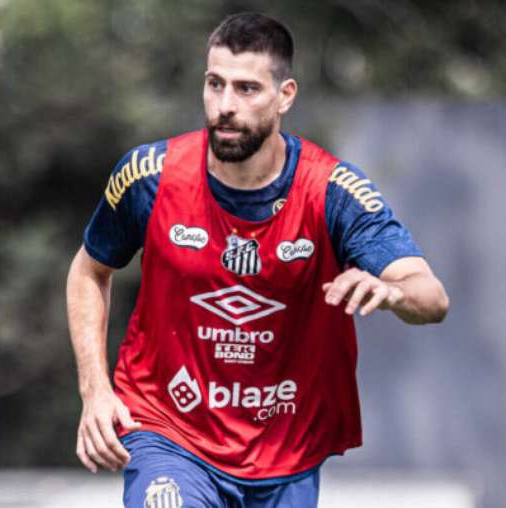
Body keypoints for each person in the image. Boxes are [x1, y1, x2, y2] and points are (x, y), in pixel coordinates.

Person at [66, 12, 448, 508]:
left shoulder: (331, 191)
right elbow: (89, 271)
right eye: (214, 84)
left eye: (246, 89)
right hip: (168, 429)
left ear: (285, 95)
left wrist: (393, 292)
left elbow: (432, 297)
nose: (224, 105)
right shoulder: (149, 176)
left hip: (284, 448)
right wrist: (95, 391)